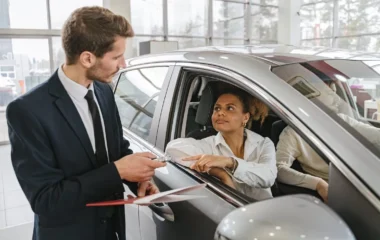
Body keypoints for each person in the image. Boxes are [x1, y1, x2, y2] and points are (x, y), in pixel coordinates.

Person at [6, 7, 166, 240]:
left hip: (111, 230)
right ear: (87, 58)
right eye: (116, 57)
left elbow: (117, 150)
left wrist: (137, 180)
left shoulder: (104, 91)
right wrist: (117, 171)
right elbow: (46, 200)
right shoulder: (28, 111)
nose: (124, 64)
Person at [276, 81, 380, 202]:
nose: (336, 98)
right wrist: (318, 183)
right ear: (313, 96)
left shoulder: (341, 120)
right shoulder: (292, 133)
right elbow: (279, 170)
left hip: (365, 180)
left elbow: (376, 135)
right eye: (330, 92)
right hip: (341, 191)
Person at [166, 88, 277, 200]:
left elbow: (268, 177)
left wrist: (230, 162)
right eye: (217, 108)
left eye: (230, 108)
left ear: (245, 117)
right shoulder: (207, 145)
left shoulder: (263, 143)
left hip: (265, 211)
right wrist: (220, 173)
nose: (220, 113)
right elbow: (172, 148)